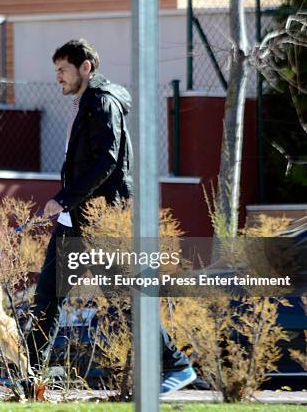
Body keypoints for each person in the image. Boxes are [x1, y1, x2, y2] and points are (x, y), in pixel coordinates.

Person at [25, 38, 196, 395]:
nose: (57, 77)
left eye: (62, 70)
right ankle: (27, 376)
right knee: (47, 299)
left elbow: (106, 160)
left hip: (98, 220)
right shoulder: (88, 102)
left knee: (124, 298)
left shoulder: (101, 102)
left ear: (85, 67)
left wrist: (64, 198)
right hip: (77, 219)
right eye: (55, 70)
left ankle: (176, 364)